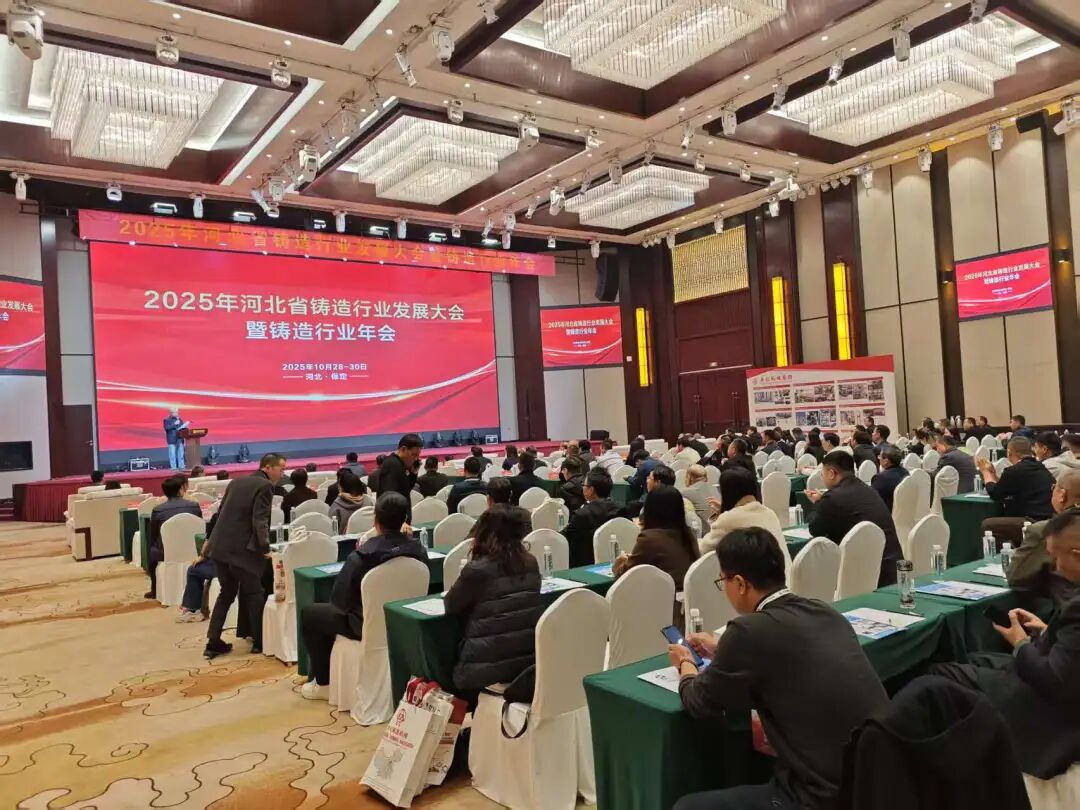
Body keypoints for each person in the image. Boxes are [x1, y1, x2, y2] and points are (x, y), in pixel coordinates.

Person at [670, 528, 888, 810]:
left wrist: (685, 663)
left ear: (740, 583)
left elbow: (698, 702)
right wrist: (722, 647)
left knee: (687, 806)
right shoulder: (824, 611)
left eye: (723, 580)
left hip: (822, 795)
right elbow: (786, 652)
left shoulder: (747, 631)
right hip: (881, 778)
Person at [931, 510, 1080, 781]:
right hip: (1060, 673)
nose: (1055, 568)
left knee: (941, 674)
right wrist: (1047, 631)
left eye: (1056, 558)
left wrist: (1020, 643)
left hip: (1055, 711)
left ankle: (958, 770)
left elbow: (1054, 680)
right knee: (976, 659)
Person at [299, 492, 428, 699]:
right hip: (406, 621)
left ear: (375, 520)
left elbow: (339, 602)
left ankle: (323, 683)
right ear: (405, 519)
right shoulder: (419, 549)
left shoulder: (362, 555)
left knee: (311, 614)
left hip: (365, 624)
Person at [444, 503, 543, 703]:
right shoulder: (531, 562)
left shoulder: (478, 569)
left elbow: (451, 605)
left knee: (441, 660)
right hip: (527, 663)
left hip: (486, 666)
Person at [206, 452, 286, 658]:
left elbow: (219, 514)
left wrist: (209, 543)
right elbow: (260, 520)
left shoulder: (236, 482)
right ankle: (259, 641)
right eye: (281, 469)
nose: (282, 474)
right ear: (268, 468)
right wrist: (265, 548)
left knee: (226, 592)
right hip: (242, 550)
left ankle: (213, 640)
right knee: (254, 593)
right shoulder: (265, 486)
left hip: (220, 547)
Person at [807, 451, 902, 586]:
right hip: (893, 567)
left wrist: (819, 503)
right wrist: (824, 501)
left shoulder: (833, 497)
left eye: (823, 474)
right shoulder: (868, 490)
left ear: (832, 473)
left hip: (866, 575)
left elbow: (815, 528)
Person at [613, 486, 699, 621]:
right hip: (689, 604)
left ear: (649, 510)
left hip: (664, 609)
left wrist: (620, 562)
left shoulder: (649, 538)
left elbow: (625, 578)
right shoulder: (688, 534)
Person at [1008, 470, 1080, 609]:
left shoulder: (1049, 531)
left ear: (1062, 495)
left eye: (1054, 488)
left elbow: (1017, 577)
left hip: (1065, 611)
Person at [978, 437, 1056, 548]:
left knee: (988, 525)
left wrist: (985, 472)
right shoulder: (1040, 467)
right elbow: (1004, 488)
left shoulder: (1015, 470)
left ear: (1009, 452)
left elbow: (995, 493)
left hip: (1033, 521)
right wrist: (992, 474)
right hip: (1049, 519)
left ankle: (1005, 556)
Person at [145, 474, 203, 600]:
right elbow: (200, 527)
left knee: (151, 549)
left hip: (167, 551)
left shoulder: (158, 510)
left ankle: (154, 590)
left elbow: (154, 534)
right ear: (181, 490)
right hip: (192, 549)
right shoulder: (194, 505)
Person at [701, 468, 782, 555]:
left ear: (727, 492)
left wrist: (722, 516)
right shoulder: (770, 513)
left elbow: (703, 550)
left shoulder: (729, 519)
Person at [562, 468, 624, 567]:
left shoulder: (581, 515)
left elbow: (565, 541)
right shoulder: (622, 510)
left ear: (591, 490)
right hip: (617, 564)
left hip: (585, 566)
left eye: (584, 485)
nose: (582, 487)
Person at [377, 435, 423, 521]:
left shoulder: (401, 464)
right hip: (393, 521)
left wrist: (413, 473)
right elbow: (390, 498)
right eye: (414, 454)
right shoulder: (392, 465)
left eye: (418, 455)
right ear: (403, 449)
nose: (416, 458)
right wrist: (400, 521)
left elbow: (406, 489)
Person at [871, 448, 909, 512]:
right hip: (905, 510)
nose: (879, 459)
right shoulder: (905, 472)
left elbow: (873, 500)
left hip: (887, 513)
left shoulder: (880, 478)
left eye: (880, 457)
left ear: (886, 460)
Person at [681, 464, 716, 531]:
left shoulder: (686, 492)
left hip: (702, 531)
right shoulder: (716, 488)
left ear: (690, 477)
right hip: (719, 529)